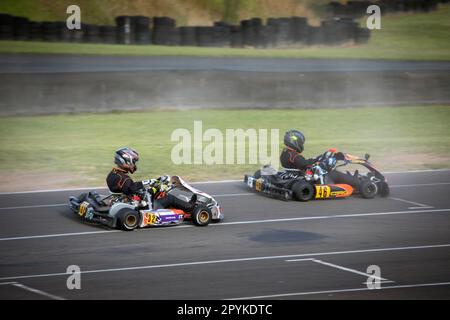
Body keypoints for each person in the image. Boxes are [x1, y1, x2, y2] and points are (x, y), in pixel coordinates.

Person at [106, 147, 194, 211]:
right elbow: (133, 189)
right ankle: (189, 207)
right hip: (141, 205)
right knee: (169, 198)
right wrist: (153, 187)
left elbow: (132, 187)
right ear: (125, 161)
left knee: (158, 188)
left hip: (127, 200)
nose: (134, 165)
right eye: (133, 162)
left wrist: (151, 184)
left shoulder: (113, 174)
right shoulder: (124, 178)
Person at [280, 130, 358, 185]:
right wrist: (319, 160)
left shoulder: (285, 153)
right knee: (335, 174)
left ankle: (352, 179)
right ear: (295, 142)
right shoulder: (294, 155)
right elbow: (305, 164)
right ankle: (358, 182)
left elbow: (303, 163)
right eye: (301, 143)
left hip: (293, 175)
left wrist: (318, 158)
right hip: (305, 177)